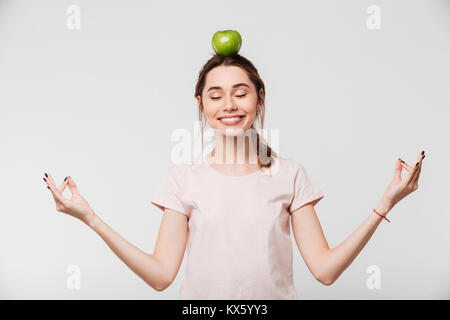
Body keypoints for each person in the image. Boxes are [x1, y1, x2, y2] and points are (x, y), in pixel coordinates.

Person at [43, 53, 425, 300]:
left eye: (240, 93)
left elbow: (325, 272)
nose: (228, 104)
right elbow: (160, 276)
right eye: (216, 95)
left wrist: (385, 202)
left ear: (259, 98)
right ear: (201, 104)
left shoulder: (289, 174)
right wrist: (90, 218)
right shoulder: (182, 179)